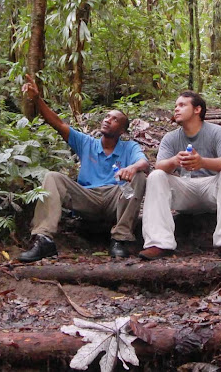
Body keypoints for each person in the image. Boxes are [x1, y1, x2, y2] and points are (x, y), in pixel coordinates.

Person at [18, 75, 149, 262]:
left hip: (115, 198)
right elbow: (58, 123)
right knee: (52, 177)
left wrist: (132, 168)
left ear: (122, 131)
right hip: (87, 197)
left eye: (114, 119)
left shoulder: (129, 147)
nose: (107, 120)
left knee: (140, 176)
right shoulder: (87, 143)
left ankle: (120, 238)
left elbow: (144, 163)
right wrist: (37, 99)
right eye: (107, 117)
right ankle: (44, 239)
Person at [138, 91, 221, 260]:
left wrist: (203, 162)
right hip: (185, 190)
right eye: (175, 106)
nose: (176, 109)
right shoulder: (170, 138)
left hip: (212, 191)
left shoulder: (217, 132)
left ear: (197, 109)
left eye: (182, 105)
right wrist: (174, 161)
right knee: (156, 176)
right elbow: (159, 166)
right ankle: (158, 243)